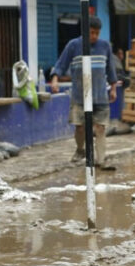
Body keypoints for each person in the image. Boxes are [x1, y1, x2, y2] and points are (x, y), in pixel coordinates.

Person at [50, 16, 118, 169]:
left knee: (100, 128)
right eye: (91, 33)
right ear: (85, 31)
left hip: (100, 95)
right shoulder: (73, 45)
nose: (94, 36)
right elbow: (61, 64)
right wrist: (55, 79)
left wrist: (113, 88)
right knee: (80, 127)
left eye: (97, 33)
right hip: (80, 96)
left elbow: (111, 69)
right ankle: (80, 149)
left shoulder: (105, 46)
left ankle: (101, 160)